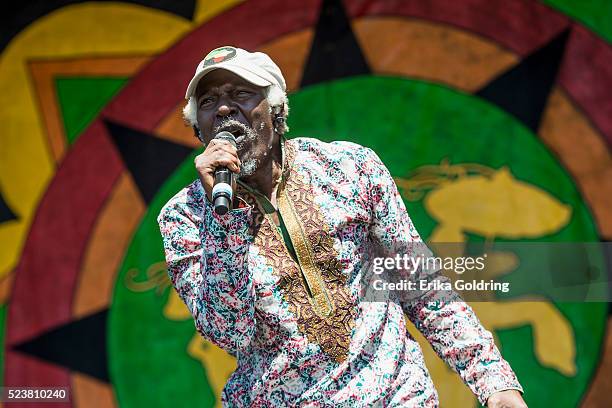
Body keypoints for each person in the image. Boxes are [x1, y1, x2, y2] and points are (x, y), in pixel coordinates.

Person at [157, 46, 527, 407]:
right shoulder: (184, 217)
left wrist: (492, 380)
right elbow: (229, 333)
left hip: (396, 395)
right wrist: (226, 220)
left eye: (241, 93)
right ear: (198, 131)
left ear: (276, 109)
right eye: (207, 102)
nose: (223, 107)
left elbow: (422, 288)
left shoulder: (351, 167)